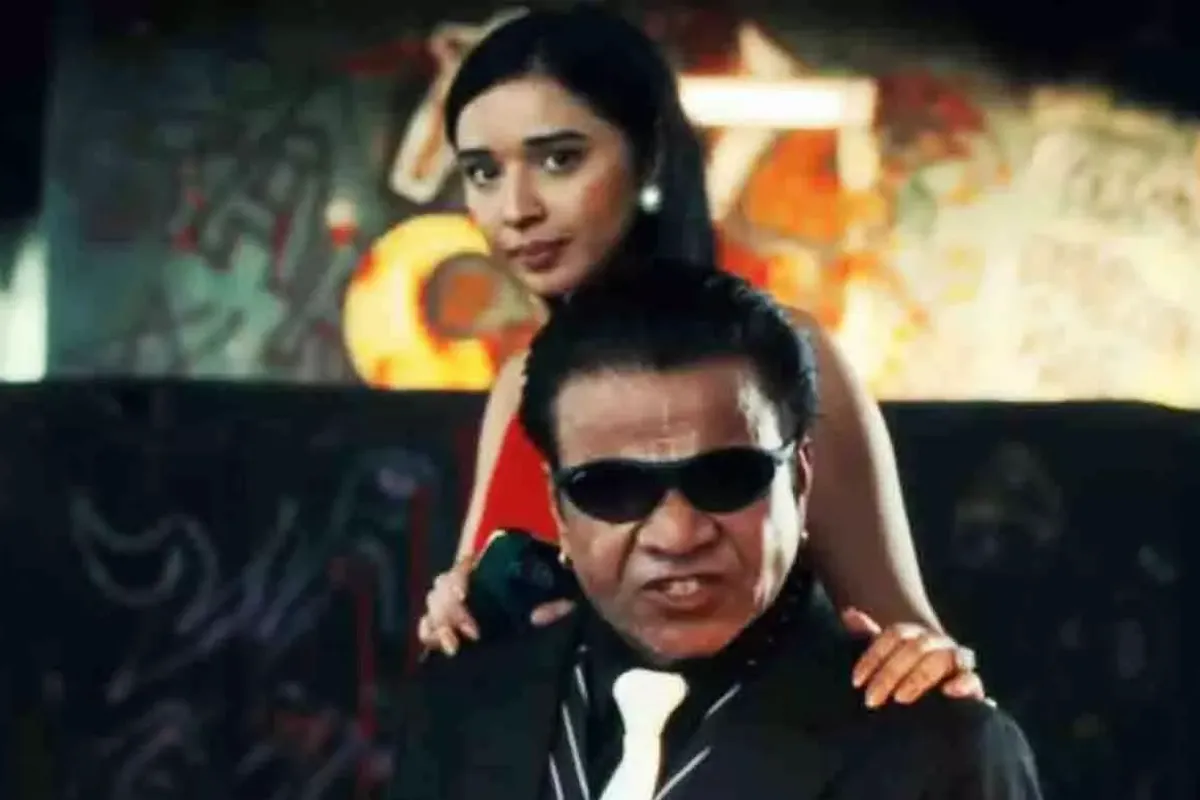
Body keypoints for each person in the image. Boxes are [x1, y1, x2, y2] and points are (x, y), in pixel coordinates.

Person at [417, 3, 982, 707]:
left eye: (559, 159)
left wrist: (932, 665)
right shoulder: (517, 385)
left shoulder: (780, 359)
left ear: (650, 155)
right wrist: (459, 610)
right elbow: (478, 646)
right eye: (482, 172)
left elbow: (912, 649)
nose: (516, 207)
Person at [390, 262, 1041, 800]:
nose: (677, 535)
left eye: (728, 477)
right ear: (557, 506)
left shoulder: (938, 748)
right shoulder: (459, 709)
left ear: (801, 478)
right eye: (613, 488)